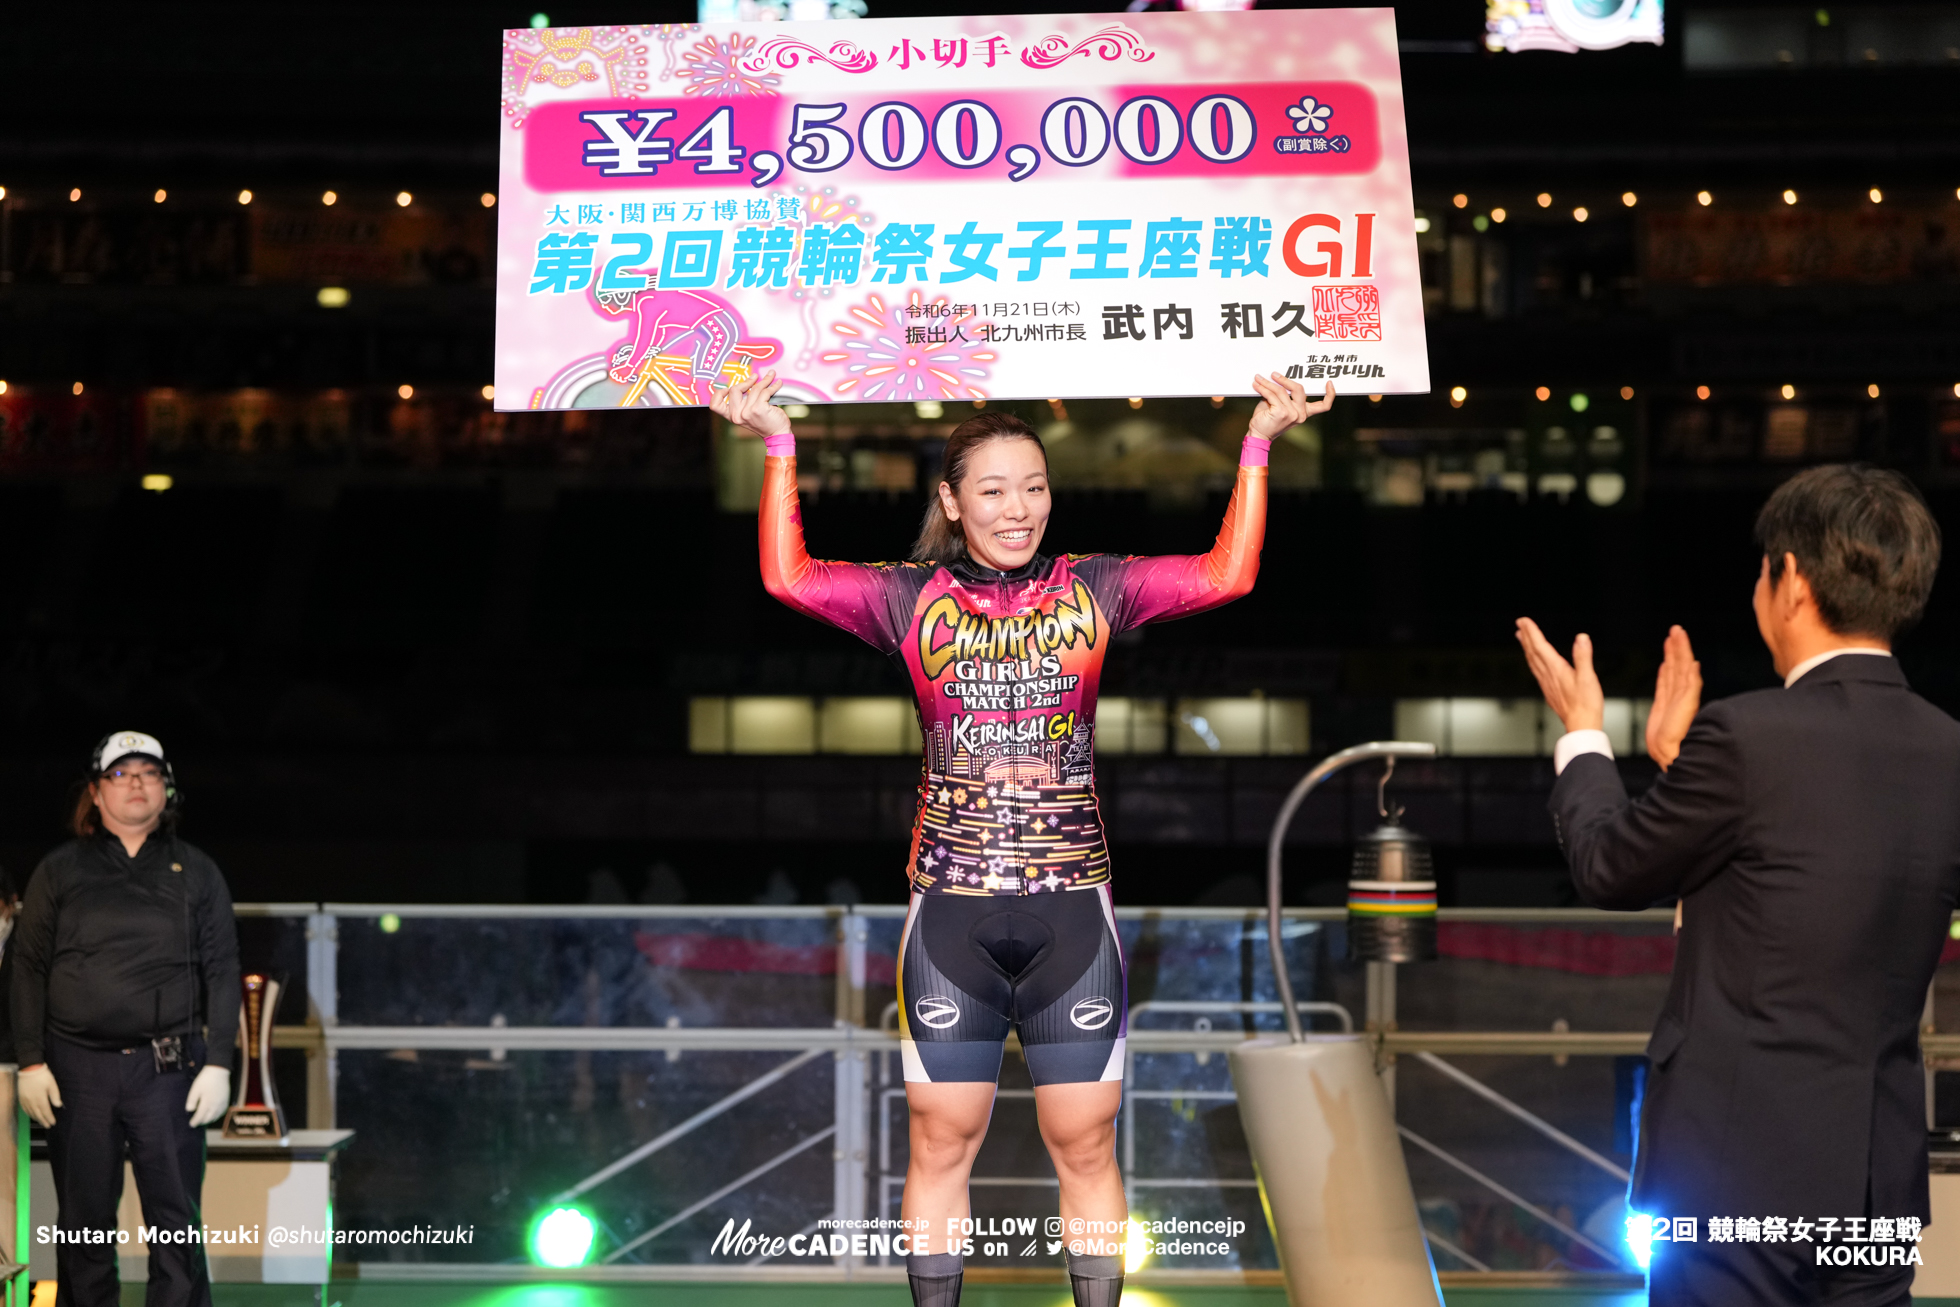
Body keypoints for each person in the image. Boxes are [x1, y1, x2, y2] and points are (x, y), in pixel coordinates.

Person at [714, 372, 1333, 1307]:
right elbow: (787, 577)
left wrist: (1257, 443)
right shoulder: (907, 599)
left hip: (1073, 915)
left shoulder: (1096, 588)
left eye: (1034, 486)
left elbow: (1226, 573)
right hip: (949, 918)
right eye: (993, 490)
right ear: (952, 502)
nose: (1018, 508)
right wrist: (777, 445)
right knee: (939, 1138)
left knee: (1085, 1142)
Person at [1515, 464, 1957, 1307]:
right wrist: (1681, 769)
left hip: (1733, 1171)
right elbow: (1804, 871)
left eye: (1763, 570)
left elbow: (1610, 867)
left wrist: (1582, 739)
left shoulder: (1749, 735)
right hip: (1872, 1178)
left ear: (1790, 579)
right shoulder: (1948, 751)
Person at [14, 731, 240, 1307]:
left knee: (174, 1219)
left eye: (149, 772)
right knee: (85, 1220)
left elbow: (222, 969)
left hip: (168, 1070)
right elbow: (28, 967)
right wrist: (31, 1060)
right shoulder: (60, 870)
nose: (137, 783)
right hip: (75, 1070)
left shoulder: (198, 871)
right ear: (95, 791)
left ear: (167, 788)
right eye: (122, 773)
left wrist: (218, 1064)